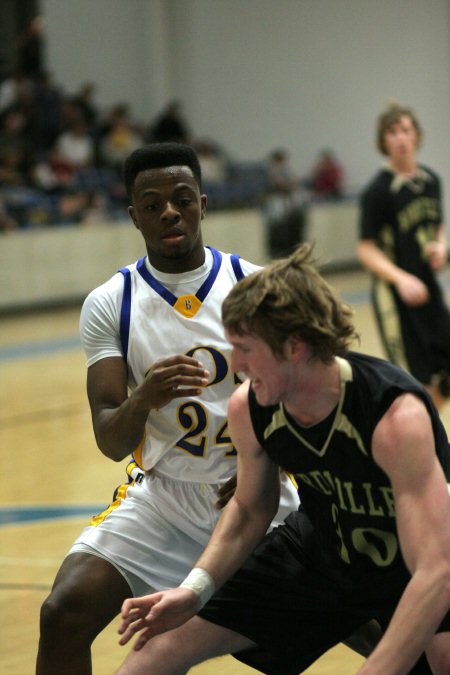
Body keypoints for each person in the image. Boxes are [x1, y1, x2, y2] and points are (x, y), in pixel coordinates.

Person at [116, 243, 450, 675]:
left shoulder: (392, 417)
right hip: (322, 551)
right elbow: (251, 507)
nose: (235, 364)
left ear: (295, 347)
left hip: (411, 562)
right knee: (156, 651)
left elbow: (436, 570)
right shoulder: (250, 407)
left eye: (245, 349)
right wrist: (194, 590)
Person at [36, 142, 300, 675]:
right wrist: (145, 396)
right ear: (134, 216)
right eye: (152, 204)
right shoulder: (112, 302)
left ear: (202, 203)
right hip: (164, 497)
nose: (169, 212)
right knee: (61, 612)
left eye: (181, 199)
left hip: (252, 492)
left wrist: (263, 464)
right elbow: (110, 440)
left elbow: (303, 401)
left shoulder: (254, 285)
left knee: (359, 620)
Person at [357, 101, 450, 410]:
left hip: (428, 288)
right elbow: (366, 249)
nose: (400, 138)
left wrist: (442, 247)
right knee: (415, 384)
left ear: (417, 136)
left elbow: (437, 227)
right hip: (394, 296)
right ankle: (419, 447)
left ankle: (427, 437)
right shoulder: (378, 191)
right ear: (383, 141)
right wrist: (401, 278)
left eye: (405, 130)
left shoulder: (431, 181)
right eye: (392, 132)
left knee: (444, 372)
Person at [263, 148, 306, 260]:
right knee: (280, 236)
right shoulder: (273, 172)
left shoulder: (288, 170)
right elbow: (278, 183)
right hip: (279, 209)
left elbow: (294, 181)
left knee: (296, 233)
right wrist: (286, 185)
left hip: (292, 209)